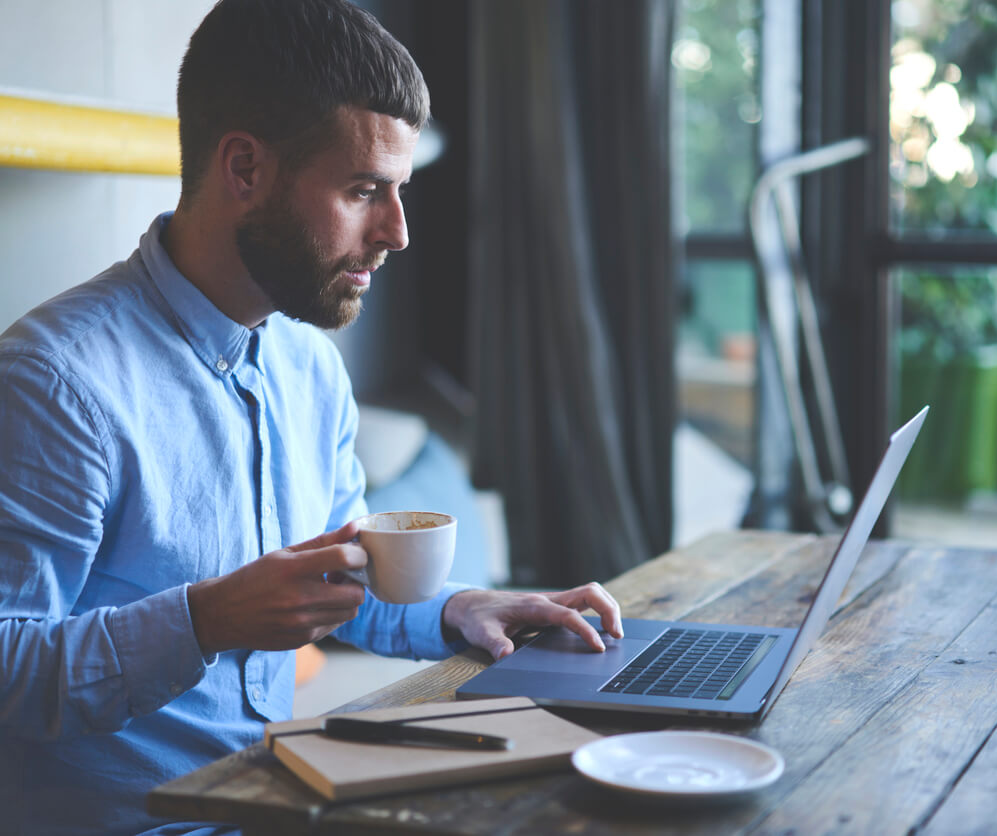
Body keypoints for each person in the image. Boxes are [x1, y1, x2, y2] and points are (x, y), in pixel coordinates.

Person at [0, 1, 622, 834]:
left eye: (399, 192)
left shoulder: (309, 368)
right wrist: (207, 619)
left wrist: (461, 610)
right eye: (365, 190)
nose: (397, 233)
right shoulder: (56, 381)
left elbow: (334, 588)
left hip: (285, 804)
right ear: (246, 169)